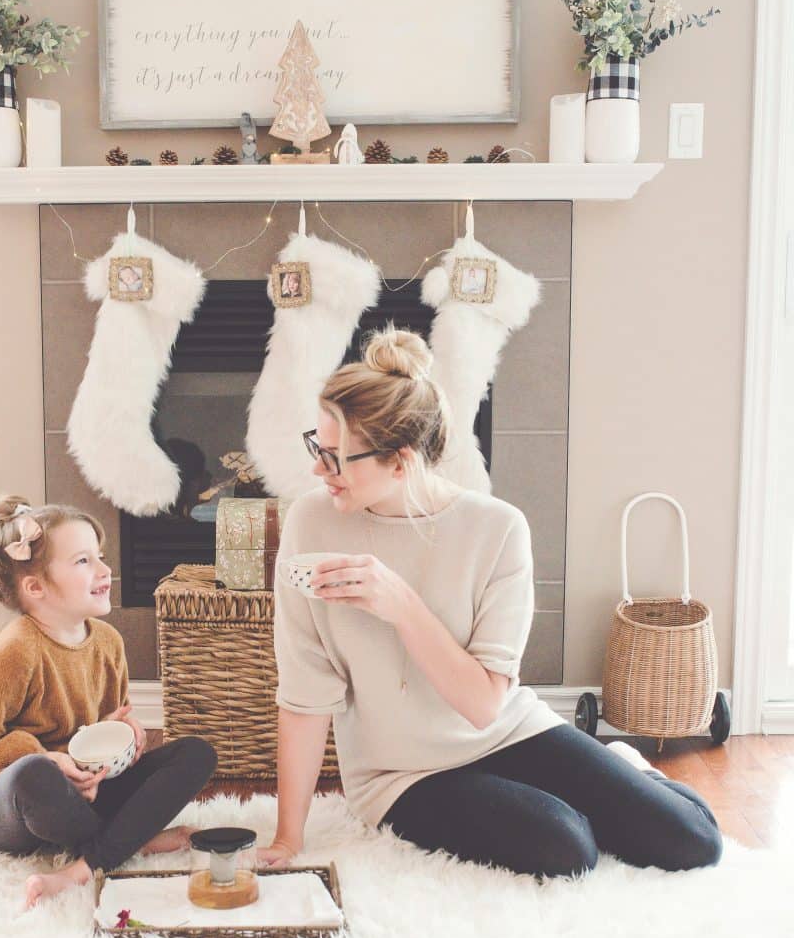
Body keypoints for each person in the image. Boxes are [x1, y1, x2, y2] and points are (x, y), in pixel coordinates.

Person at [258, 326, 722, 879]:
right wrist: (288, 837)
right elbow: (305, 695)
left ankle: (625, 769)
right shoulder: (311, 523)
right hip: (401, 774)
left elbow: (482, 706)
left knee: (692, 841)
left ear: (400, 461)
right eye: (318, 446)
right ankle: (572, 798)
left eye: (335, 457)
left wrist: (400, 603)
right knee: (567, 847)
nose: (318, 470)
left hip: (506, 731)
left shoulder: (497, 530)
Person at [0, 496, 216, 907]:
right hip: (21, 808)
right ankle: (129, 838)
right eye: (83, 561)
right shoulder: (13, 654)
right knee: (35, 774)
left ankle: (88, 862)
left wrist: (123, 730)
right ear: (35, 587)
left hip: (88, 792)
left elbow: (105, 722)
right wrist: (48, 757)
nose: (105, 571)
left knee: (197, 754)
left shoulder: (107, 642)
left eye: (100, 557)